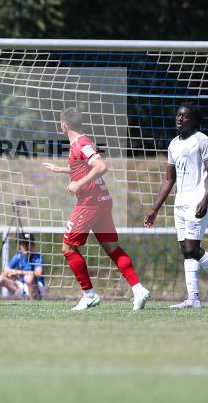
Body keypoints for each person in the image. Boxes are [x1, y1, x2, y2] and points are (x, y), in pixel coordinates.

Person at [42, 107, 151, 311]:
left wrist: (79, 184)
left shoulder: (80, 143)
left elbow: (101, 166)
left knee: (68, 248)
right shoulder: (83, 141)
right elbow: (84, 166)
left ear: (64, 124)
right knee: (112, 248)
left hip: (89, 204)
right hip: (101, 201)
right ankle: (138, 289)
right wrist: (62, 170)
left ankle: (89, 295)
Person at [144, 103, 208, 309]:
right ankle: (193, 298)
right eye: (178, 115)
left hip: (197, 202)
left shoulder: (202, 140)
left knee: (193, 248)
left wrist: (204, 199)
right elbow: (169, 180)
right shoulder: (173, 145)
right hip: (180, 204)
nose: (180, 119)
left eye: (185, 116)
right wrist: (154, 209)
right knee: (186, 250)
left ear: (194, 120)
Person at [0, 232, 45, 300]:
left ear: (33, 246)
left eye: (28, 244)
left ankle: (34, 302)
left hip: (36, 288)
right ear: (20, 246)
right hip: (21, 286)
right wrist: (12, 276)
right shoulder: (18, 257)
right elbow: (5, 272)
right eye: (23, 244)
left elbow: (38, 273)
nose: (25, 247)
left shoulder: (37, 257)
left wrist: (17, 272)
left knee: (29, 278)